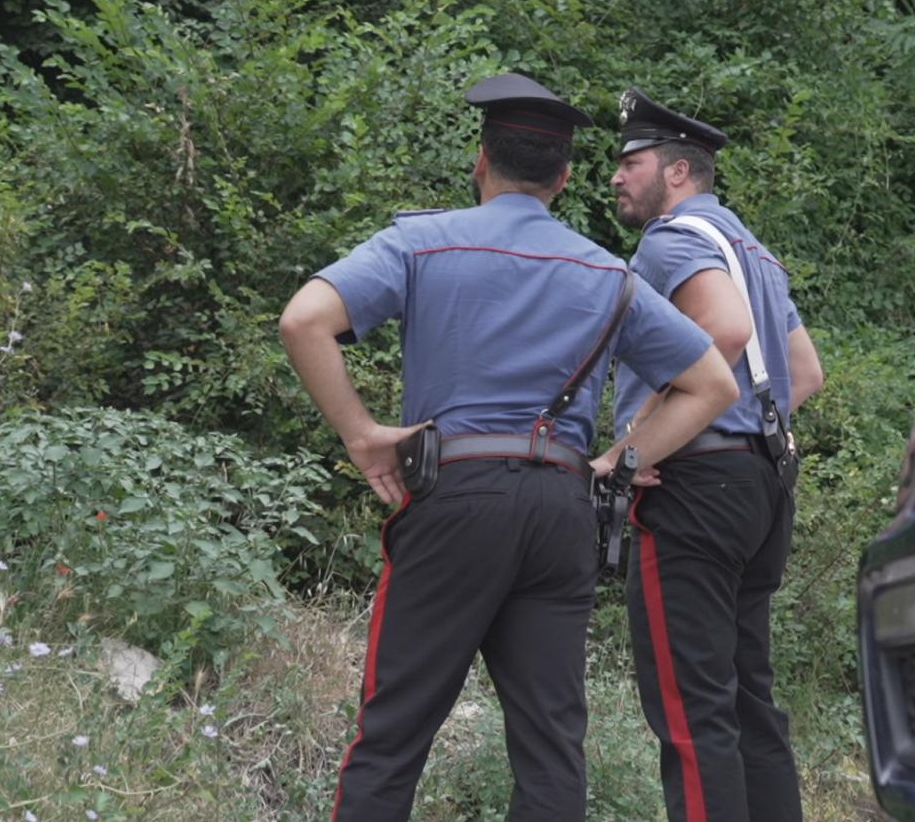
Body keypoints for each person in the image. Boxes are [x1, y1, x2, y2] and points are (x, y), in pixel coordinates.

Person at [278, 73, 739, 822]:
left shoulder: (420, 242)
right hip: (561, 511)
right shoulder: (610, 274)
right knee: (551, 745)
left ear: (481, 161)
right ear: (563, 180)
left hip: (455, 500)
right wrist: (616, 463)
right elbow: (713, 384)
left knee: (393, 733)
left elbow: (303, 320)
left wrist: (362, 435)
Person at [602, 87, 825, 822]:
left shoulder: (671, 240)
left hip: (693, 492)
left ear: (676, 172)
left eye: (631, 162)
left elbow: (725, 332)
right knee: (749, 700)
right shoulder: (751, 249)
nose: (616, 175)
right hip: (762, 486)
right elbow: (804, 373)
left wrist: (635, 445)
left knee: (693, 713)